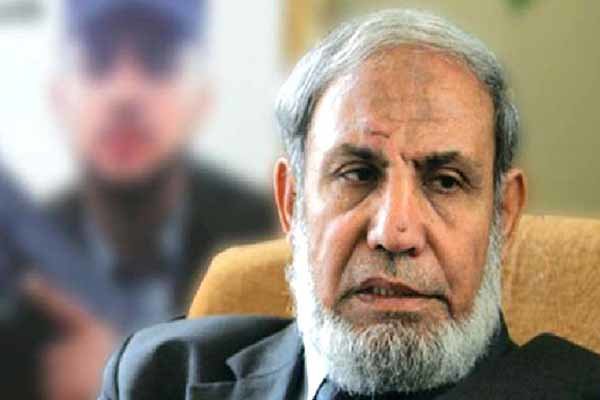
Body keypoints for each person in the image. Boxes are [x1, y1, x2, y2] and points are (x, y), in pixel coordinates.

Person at [97, 9, 600, 400]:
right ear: (292, 202)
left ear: (502, 215)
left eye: (445, 182)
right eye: (357, 174)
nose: (395, 232)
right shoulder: (159, 376)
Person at [1, 1, 275, 399]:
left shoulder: (273, 240)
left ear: (201, 98)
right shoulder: (21, 271)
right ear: (59, 97)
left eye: (157, 60)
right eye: (97, 61)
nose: (124, 92)